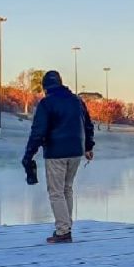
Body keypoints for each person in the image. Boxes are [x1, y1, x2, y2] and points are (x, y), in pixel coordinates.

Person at [22, 70, 95, 243]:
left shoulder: (46, 103)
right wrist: (88, 146)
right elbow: (88, 124)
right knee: (67, 188)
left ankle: (63, 231)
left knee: (56, 192)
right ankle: (66, 226)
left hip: (56, 153)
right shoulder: (77, 101)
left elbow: (38, 132)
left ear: (45, 87)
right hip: (76, 151)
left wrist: (29, 154)